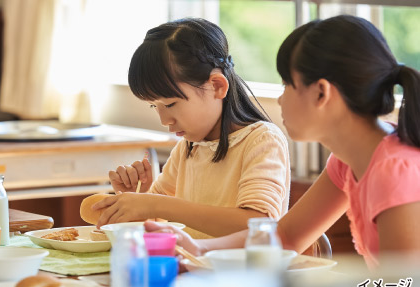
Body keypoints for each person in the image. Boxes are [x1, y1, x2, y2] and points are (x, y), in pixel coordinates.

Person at [144, 15, 420, 268]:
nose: (280, 99)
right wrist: (199, 248)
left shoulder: (394, 171)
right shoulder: (346, 162)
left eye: (288, 84)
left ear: (321, 93)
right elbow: (286, 236)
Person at [92, 18, 290, 238]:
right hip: (192, 270)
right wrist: (137, 198)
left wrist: (154, 204)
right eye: (154, 106)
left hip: (242, 272)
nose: (164, 120)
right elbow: (157, 224)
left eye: (170, 104)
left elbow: (257, 226)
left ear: (216, 86)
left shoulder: (261, 141)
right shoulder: (189, 147)